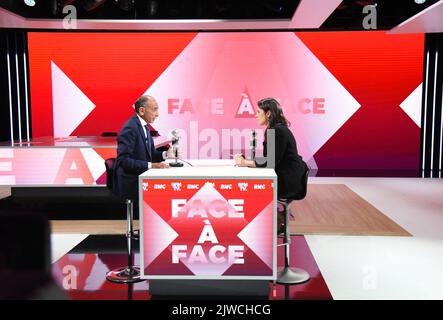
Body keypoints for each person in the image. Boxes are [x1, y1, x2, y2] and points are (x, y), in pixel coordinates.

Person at [234, 97, 308, 233]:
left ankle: (274, 221)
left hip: (289, 181)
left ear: (268, 114)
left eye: (258, 112)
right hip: (287, 176)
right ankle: (274, 219)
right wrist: (248, 162)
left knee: (253, 190)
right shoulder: (275, 129)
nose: (255, 115)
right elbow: (271, 159)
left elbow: (270, 162)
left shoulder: (276, 131)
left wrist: (245, 163)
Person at [113, 95, 173, 217]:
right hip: (130, 180)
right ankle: (150, 230)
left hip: (139, 175)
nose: (157, 114)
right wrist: (151, 165)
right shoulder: (130, 128)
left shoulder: (144, 127)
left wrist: (166, 154)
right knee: (163, 192)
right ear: (141, 111)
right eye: (155, 109)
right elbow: (123, 161)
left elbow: (150, 154)